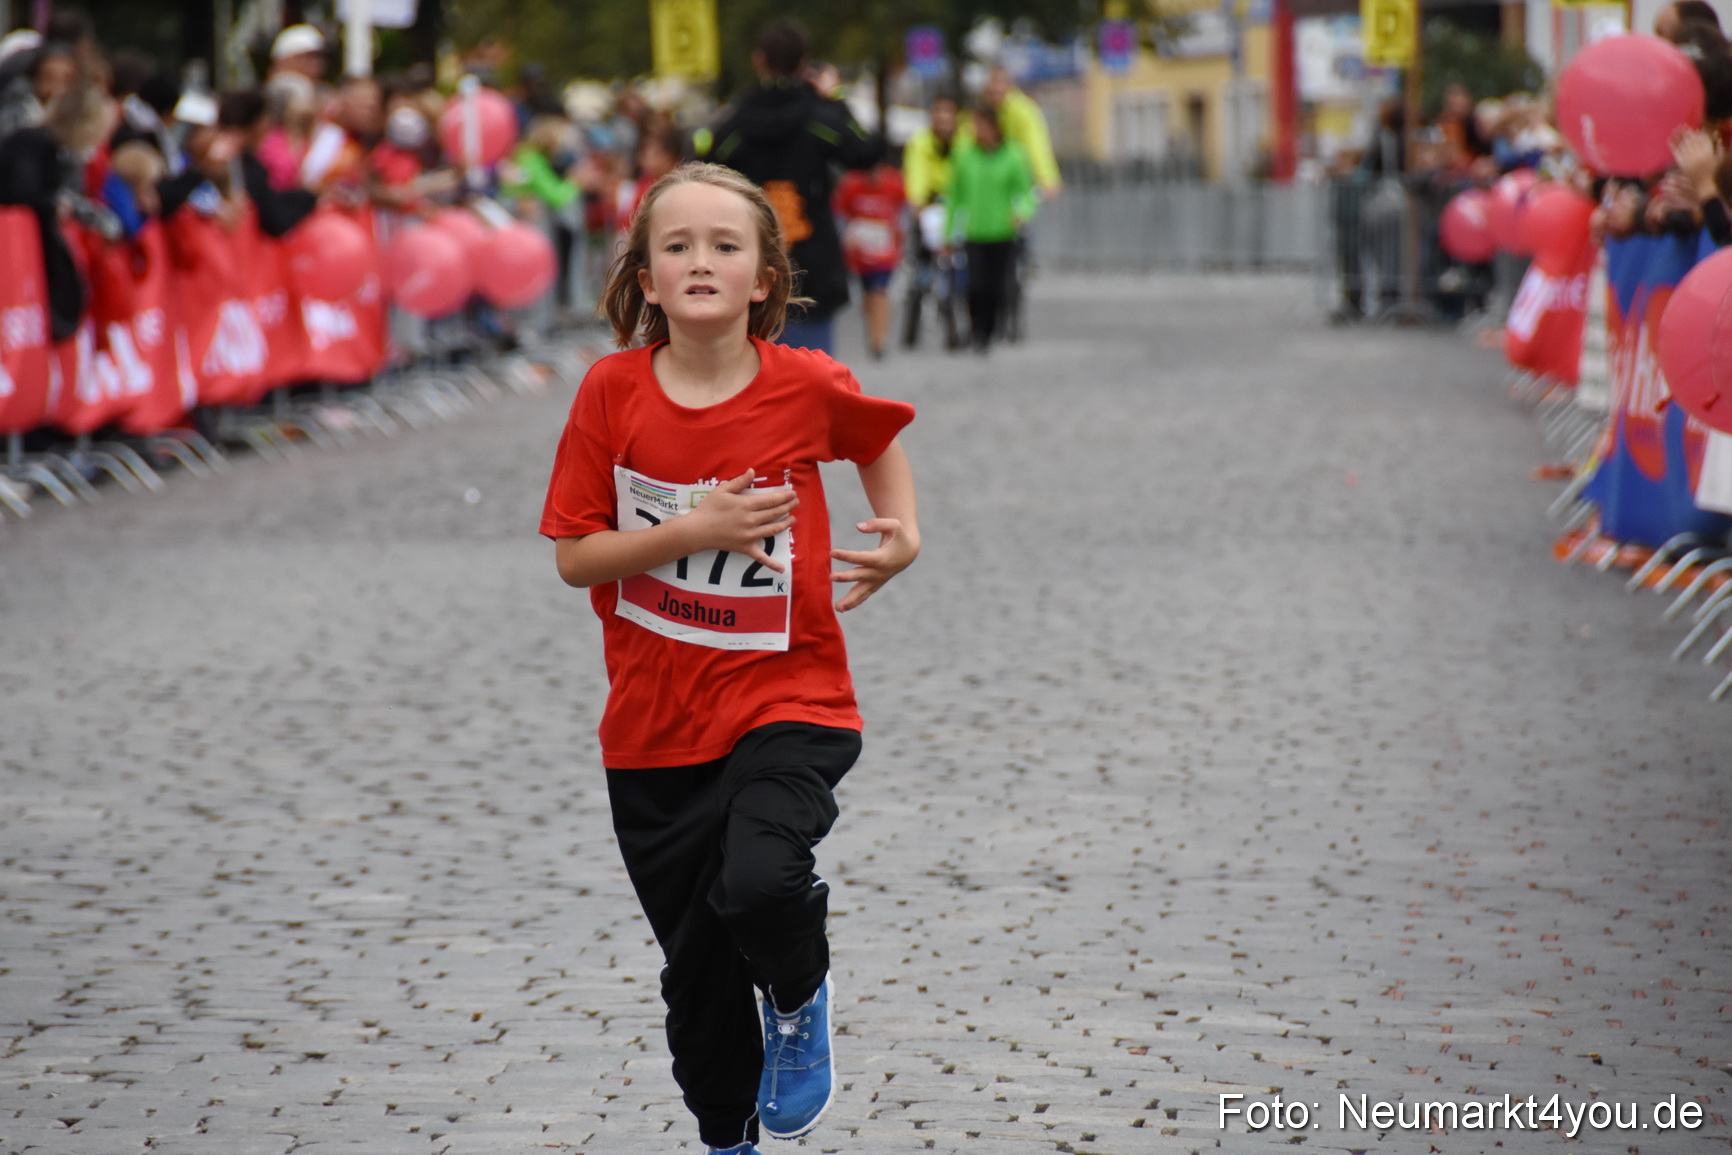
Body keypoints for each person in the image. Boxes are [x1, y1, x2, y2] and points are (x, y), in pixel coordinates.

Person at [539, 161, 919, 1154]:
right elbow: (578, 558)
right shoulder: (610, 392)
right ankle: (727, 1136)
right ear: (645, 278)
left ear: (763, 278)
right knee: (698, 973)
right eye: (676, 246)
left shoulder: (804, 384)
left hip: (790, 697)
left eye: (723, 245)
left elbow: (875, 437)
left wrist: (903, 531)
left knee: (759, 882)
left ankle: (798, 996)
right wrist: (691, 528)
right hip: (654, 731)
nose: (699, 261)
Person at [705, 19, 879, 354]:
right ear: (804, 63)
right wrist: (836, 98)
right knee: (814, 374)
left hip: (750, 265)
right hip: (813, 266)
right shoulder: (821, 117)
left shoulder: (736, 122)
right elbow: (866, 151)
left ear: (759, 60)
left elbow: (704, 167)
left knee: (754, 376)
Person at [946, 106, 1035, 353]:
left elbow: (1026, 192)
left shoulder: (1014, 156)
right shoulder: (964, 156)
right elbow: (955, 195)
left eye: (981, 125)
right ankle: (977, 330)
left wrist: (1022, 212)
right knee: (975, 285)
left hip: (1003, 231)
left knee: (997, 286)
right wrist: (948, 231)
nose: (977, 131)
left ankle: (991, 329)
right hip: (974, 231)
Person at [833, 159, 904, 359]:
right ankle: (872, 331)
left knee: (879, 292)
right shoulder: (851, 185)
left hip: (885, 250)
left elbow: (903, 210)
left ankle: (879, 339)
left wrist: (900, 240)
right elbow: (841, 213)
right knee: (867, 295)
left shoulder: (895, 183)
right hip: (860, 253)